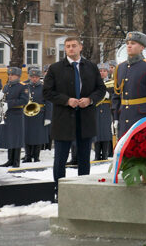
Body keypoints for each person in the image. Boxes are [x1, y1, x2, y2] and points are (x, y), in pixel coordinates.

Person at [43, 37, 106, 184]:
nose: (71, 48)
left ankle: (82, 188)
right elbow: (47, 92)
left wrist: (90, 99)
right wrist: (66, 100)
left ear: (80, 47)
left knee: (84, 158)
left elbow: (101, 89)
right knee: (60, 158)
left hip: (85, 118)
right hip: (63, 119)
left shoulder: (90, 67)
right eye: (68, 46)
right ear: (65, 49)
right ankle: (59, 190)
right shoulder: (55, 68)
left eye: (74, 46)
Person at [112, 32, 146, 137]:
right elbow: (116, 95)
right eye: (127, 43)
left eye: (133, 43)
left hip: (142, 118)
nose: (129, 46)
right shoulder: (120, 68)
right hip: (123, 118)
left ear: (142, 47)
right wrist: (115, 117)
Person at [0, 67, 29, 167]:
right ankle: (10, 160)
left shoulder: (23, 86)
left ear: (18, 76)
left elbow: (24, 100)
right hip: (7, 115)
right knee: (9, 138)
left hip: (16, 115)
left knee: (16, 138)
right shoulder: (7, 86)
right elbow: (2, 98)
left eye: (12, 75)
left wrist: (9, 104)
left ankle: (16, 161)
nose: (10, 76)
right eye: (9, 75)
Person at [22, 67, 51, 162]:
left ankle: (36, 156)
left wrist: (48, 117)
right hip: (27, 115)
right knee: (27, 135)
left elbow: (49, 103)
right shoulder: (25, 86)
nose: (34, 79)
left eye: (36, 77)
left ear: (39, 77)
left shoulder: (44, 87)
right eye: (32, 77)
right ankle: (28, 156)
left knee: (38, 136)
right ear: (29, 77)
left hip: (40, 114)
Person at [94, 64, 113, 160]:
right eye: (100, 71)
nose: (102, 72)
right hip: (96, 108)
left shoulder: (111, 83)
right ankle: (97, 155)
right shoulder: (94, 83)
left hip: (106, 108)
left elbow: (116, 96)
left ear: (107, 72)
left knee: (106, 132)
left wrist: (110, 96)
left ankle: (105, 154)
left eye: (104, 71)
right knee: (97, 132)